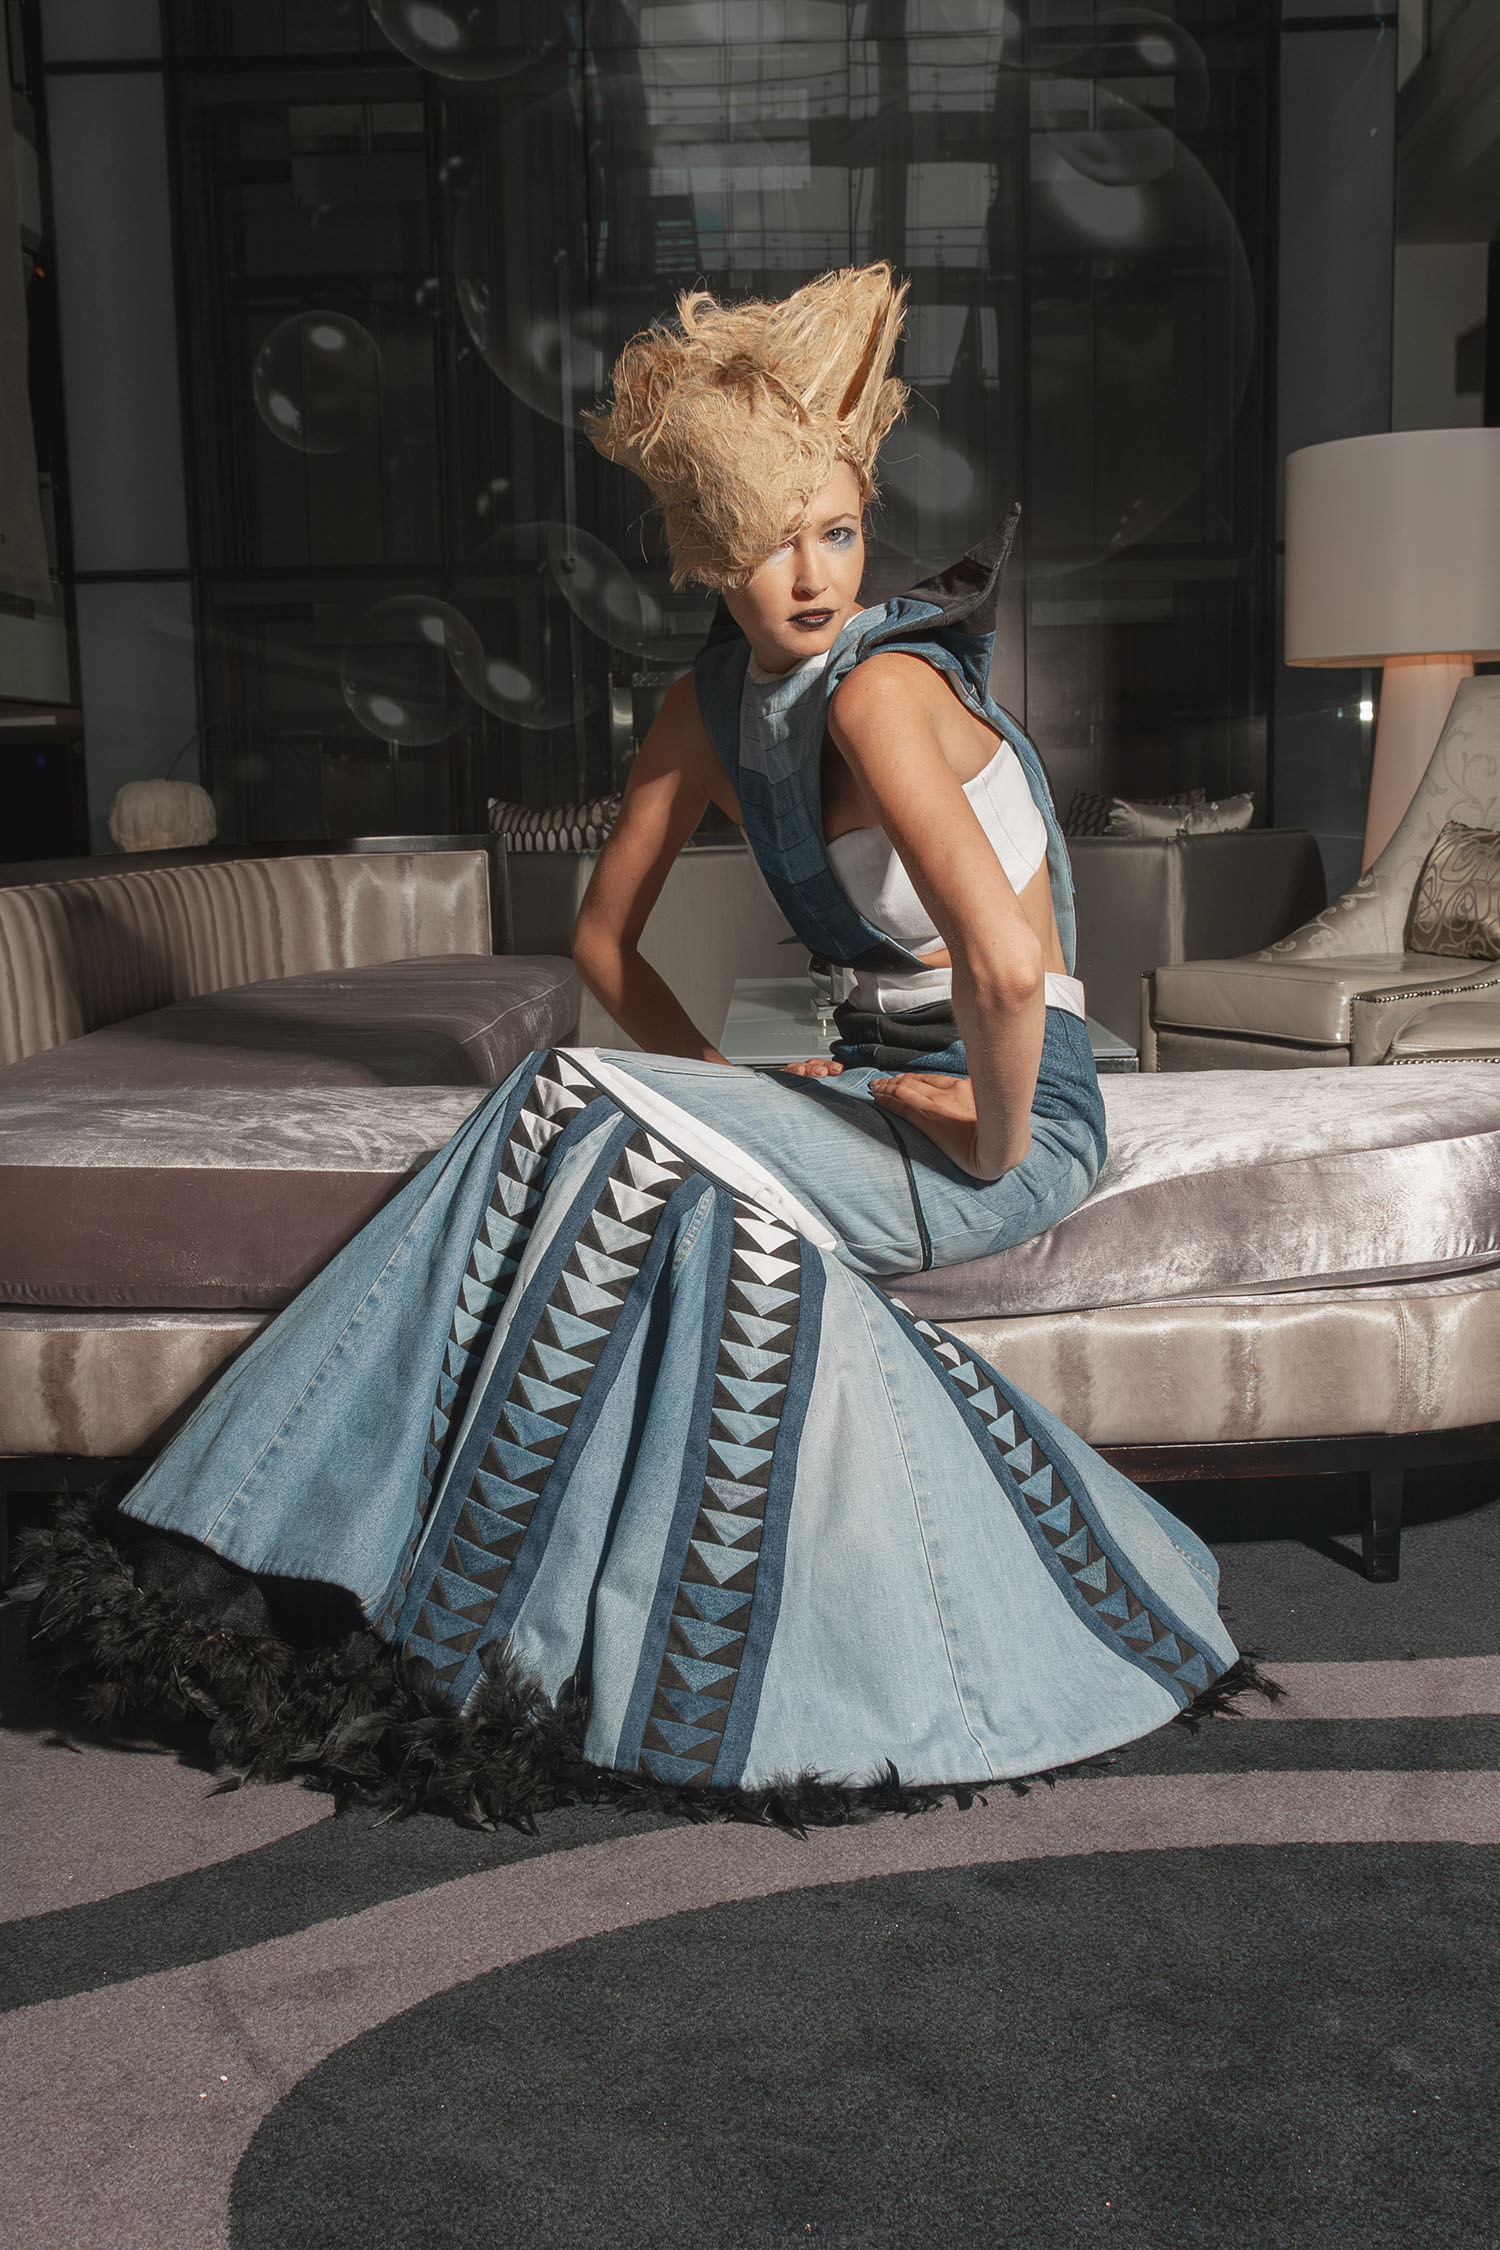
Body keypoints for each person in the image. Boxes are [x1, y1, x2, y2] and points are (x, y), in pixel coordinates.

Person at [29, 265, 1258, 1823]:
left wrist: (990, 1138)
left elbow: (1013, 973)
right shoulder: (710, 707)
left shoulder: (881, 690)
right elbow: (602, 944)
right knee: (623, 1149)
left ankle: (264, 1563)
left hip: (1020, 1111)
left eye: (838, 532)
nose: (810, 578)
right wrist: (724, 1096)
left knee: (564, 1091)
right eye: (766, 543)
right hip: (877, 1086)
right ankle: (430, 1609)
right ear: (706, 553)